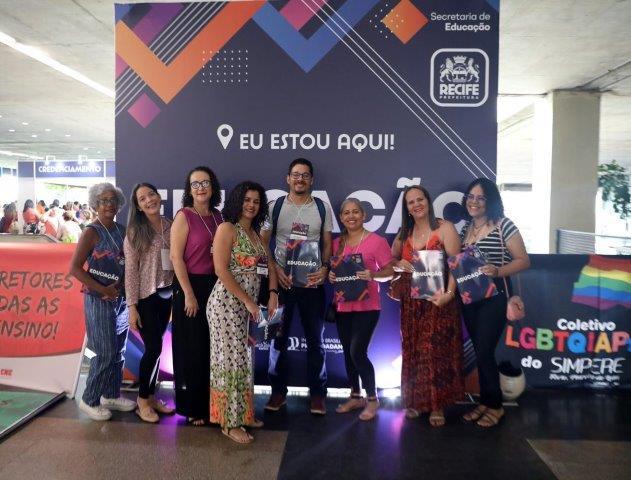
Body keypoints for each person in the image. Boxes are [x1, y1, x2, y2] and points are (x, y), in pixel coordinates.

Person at [208, 181, 278, 444]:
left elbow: (270, 265)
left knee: (244, 361)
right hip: (225, 305)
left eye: (256, 201)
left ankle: (244, 414)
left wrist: (273, 293)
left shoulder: (257, 235)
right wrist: (249, 301)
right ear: (238, 201)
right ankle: (229, 422)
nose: (251, 205)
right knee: (229, 363)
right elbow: (221, 270)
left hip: (248, 308)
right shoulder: (227, 228)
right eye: (247, 200)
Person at [262, 158, 333, 415]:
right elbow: (263, 243)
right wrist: (276, 271)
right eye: (295, 174)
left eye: (304, 175)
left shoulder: (322, 208)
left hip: (311, 283)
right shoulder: (275, 207)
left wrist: (325, 267)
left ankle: (318, 394)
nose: (300, 179)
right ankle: (278, 392)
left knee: (316, 340)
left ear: (311, 179)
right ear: (288, 179)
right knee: (276, 338)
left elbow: (327, 242)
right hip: (281, 283)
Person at [391, 185, 464, 427]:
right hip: (412, 303)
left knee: (434, 350)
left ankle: (437, 405)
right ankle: (416, 401)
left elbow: (458, 264)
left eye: (420, 199)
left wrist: (449, 294)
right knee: (413, 350)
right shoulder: (405, 233)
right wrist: (399, 263)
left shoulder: (445, 228)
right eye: (411, 202)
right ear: (407, 208)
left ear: (428, 201)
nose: (416, 205)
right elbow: (392, 260)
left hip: (439, 300)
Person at [459, 178, 530, 428]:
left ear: (491, 201)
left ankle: (496, 406)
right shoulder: (466, 228)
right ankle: (485, 402)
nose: (474, 202)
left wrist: (497, 270)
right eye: (471, 197)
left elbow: (523, 260)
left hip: (494, 296)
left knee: (485, 351)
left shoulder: (504, 225)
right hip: (470, 297)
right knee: (480, 351)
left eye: (481, 198)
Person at [69, 182, 135, 421]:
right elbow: (75, 269)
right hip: (98, 300)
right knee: (104, 352)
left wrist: (122, 290)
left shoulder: (122, 230)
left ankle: (110, 394)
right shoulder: (91, 232)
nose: (109, 204)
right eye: (104, 201)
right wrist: (102, 289)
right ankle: (89, 399)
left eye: (113, 200)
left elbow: (127, 264)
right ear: (95, 204)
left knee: (118, 350)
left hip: (119, 299)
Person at [328, 198, 394, 421]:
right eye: (346, 213)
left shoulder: (377, 241)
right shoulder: (337, 243)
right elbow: (334, 271)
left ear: (364, 215)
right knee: (348, 352)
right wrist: (331, 276)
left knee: (357, 351)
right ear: (341, 218)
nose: (351, 216)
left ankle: (373, 399)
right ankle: (355, 396)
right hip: (343, 305)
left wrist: (373, 275)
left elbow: (390, 272)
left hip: (368, 306)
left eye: (355, 212)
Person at [170, 166, 223, 426]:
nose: (201, 188)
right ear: (189, 190)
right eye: (195, 184)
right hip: (190, 286)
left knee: (211, 348)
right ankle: (192, 407)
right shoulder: (184, 216)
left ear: (213, 187)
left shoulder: (219, 216)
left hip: (215, 286)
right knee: (193, 348)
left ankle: (212, 405)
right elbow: (176, 258)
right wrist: (189, 294)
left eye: (205, 183)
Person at [124, 183, 175, 423]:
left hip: (167, 295)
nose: (149, 200)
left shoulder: (171, 225)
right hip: (145, 298)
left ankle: (151, 397)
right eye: (142, 199)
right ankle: (142, 400)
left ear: (158, 196)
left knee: (157, 349)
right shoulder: (135, 232)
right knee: (153, 348)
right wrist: (132, 307)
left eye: (151, 195)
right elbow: (131, 272)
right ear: (138, 206)